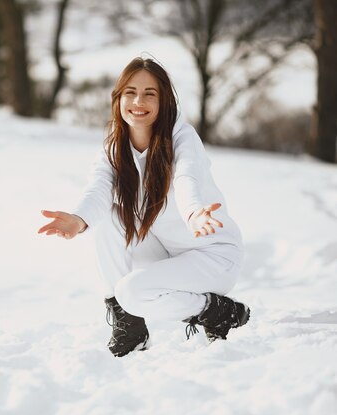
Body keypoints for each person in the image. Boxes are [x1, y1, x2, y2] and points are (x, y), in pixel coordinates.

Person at [37, 57, 250, 357]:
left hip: (211, 256)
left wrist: (193, 213)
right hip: (166, 252)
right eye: (130, 92)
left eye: (150, 93)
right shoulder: (115, 146)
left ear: (164, 101)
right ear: (119, 98)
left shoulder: (182, 138)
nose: (139, 101)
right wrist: (78, 219)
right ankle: (129, 327)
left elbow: (187, 178)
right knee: (110, 217)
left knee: (132, 291)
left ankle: (218, 312)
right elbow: (98, 189)